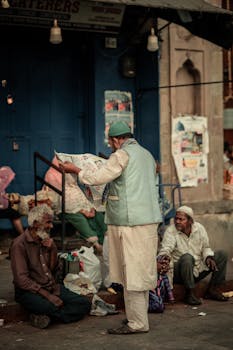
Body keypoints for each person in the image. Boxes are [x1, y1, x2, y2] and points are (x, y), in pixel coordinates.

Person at [59, 120, 162, 335]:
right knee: (139, 272)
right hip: (148, 221)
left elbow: (98, 178)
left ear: (116, 140)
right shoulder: (146, 155)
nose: (111, 146)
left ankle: (138, 323)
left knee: (132, 273)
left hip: (129, 223)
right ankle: (138, 318)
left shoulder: (122, 154)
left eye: (111, 143)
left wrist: (76, 170)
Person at [10, 204, 91, 329]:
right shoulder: (19, 244)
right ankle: (49, 313)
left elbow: (53, 270)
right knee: (50, 306)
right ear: (36, 223)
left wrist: (52, 249)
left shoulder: (46, 241)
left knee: (83, 303)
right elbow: (21, 280)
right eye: (48, 222)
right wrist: (48, 296)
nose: (51, 226)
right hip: (30, 291)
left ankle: (43, 316)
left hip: (50, 287)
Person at [158, 206, 229, 305]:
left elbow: (205, 247)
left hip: (197, 268)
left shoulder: (199, 229)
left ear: (190, 221)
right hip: (180, 272)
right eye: (176, 219)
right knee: (187, 257)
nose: (177, 221)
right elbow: (166, 248)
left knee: (222, 255)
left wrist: (208, 257)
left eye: (181, 219)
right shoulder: (171, 231)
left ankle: (213, 289)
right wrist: (165, 255)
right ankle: (189, 293)